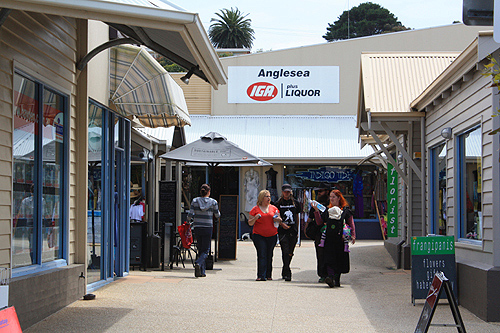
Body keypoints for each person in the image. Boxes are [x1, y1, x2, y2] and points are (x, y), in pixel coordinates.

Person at [311, 189, 356, 288]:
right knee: (329, 259)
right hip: (329, 240)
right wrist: (316, 211)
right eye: (330, 197)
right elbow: (319, 222)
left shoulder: (345, 210)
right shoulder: (327, 210)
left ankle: (336, 279)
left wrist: (353, 235)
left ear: (339, 198)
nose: (331, 199)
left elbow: (351, 222)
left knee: (339, 259)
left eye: (333, 197)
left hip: (340, 240)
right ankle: (330, 278)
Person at [248, 189, 282, 281]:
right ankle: (261, 275)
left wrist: (278, 219)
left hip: (272, 235)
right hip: (259, 235)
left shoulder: (274, 208)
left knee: (269, 255)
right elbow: (250, 223)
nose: (269, 198)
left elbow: (279, 218)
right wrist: (255, 218)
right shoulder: (255, 209)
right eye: (267, 196)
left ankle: (268, 274)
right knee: (262, 254)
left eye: (269, 196)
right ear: (262, 198)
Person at [188, 184, 220, 278]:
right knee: (206, 250)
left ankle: (202, 271)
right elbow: (217, 215)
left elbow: (190, 215)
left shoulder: (195, 201)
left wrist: (188, 221)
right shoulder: (213, 202)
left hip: (197, 226)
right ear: (209, 192)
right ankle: (198, 263)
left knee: (200, 248)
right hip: (207, 227)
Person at [274, 184, 301, 281]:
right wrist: (281, 224)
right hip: (282, 230)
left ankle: (285, 268)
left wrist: (297, 230)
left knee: (290, 252)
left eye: (288, 191)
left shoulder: (296, 203)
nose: (287, 193)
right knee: (284, 251)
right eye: (285, 191)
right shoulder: (278, 203)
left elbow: (297, 216)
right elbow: (275, 217)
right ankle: (287, 271)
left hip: (292, 229)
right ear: (282, 192)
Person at [304, 184, 331, 282]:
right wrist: (306, 227)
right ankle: (322, 274)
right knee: (320, 254)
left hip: (330, 232)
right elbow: (310, 218)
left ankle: (330, 274)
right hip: (318, 233)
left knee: (329, 254)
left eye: (321, 191)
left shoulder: (330, 204)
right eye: (317, 192)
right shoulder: (316, 204)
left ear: (327, 191)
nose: (318, 193)